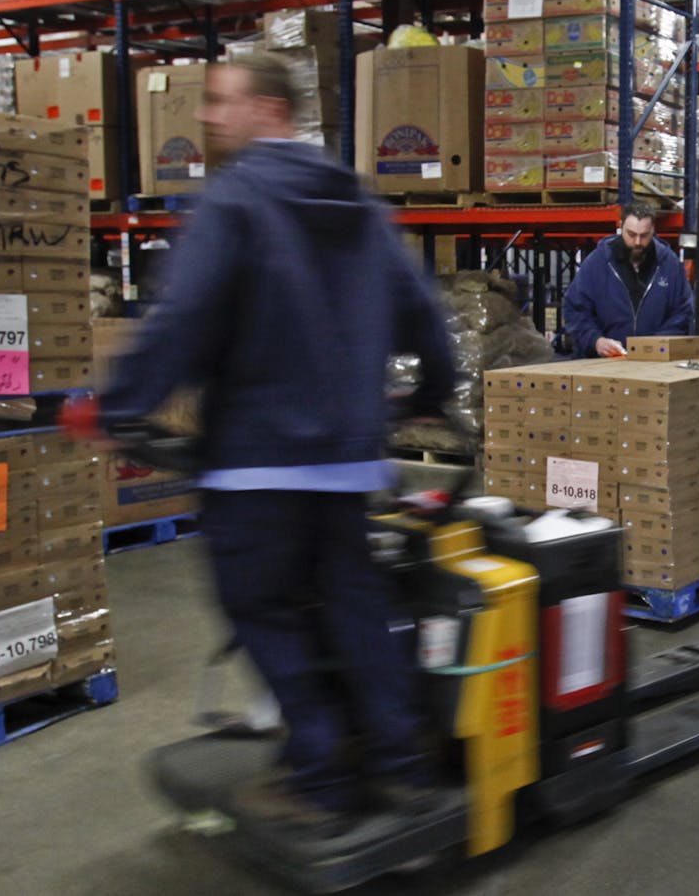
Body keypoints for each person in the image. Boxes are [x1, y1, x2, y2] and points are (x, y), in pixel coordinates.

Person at [64, 55, 455, 835]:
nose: (208, 117)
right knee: (355, 607)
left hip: (258, 465)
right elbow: (423, 309)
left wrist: (118, 406)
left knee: (265, 610)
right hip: (347, 467)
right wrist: (432, 396)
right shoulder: (358, 202)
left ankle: (319, 777)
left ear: (272, 111)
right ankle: (403, 763)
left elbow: (184, 319)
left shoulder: (234, 200)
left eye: (221, 102)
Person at [562, 199, 695, 358]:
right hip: (605, 364)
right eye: (631, 234)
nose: (637, 242)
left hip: (656, 364)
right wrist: (596, 341)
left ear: (653, 230)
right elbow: (575, 310)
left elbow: (683, 312)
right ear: (620, 226)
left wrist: (656, 345)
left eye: (644, 236)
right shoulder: (597, 263)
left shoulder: (669, 264)